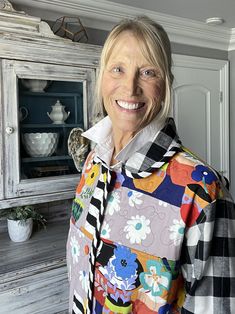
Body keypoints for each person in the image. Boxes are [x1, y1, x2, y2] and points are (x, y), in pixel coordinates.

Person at [66, 16, 235, 314]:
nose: (130, 87)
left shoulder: (202, 189)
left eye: (147, 72)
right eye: (118, 69)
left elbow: (217, 306)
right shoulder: (93, 162)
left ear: (166, 84)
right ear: (102, 76)